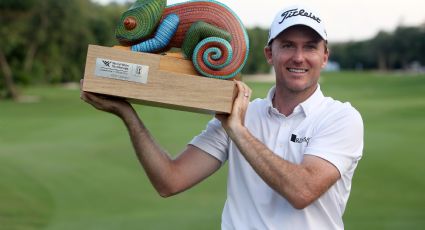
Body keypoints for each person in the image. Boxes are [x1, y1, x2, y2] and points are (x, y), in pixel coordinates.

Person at [81, 3, 363, 230]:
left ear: (324, 56)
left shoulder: (341, 118)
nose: (299, 57)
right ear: (269, 53)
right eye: (287, 45)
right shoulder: (240, 112)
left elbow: (302, 191)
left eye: (310, 46)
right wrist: (127, 114)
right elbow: (170, 180)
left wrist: (237, 130)